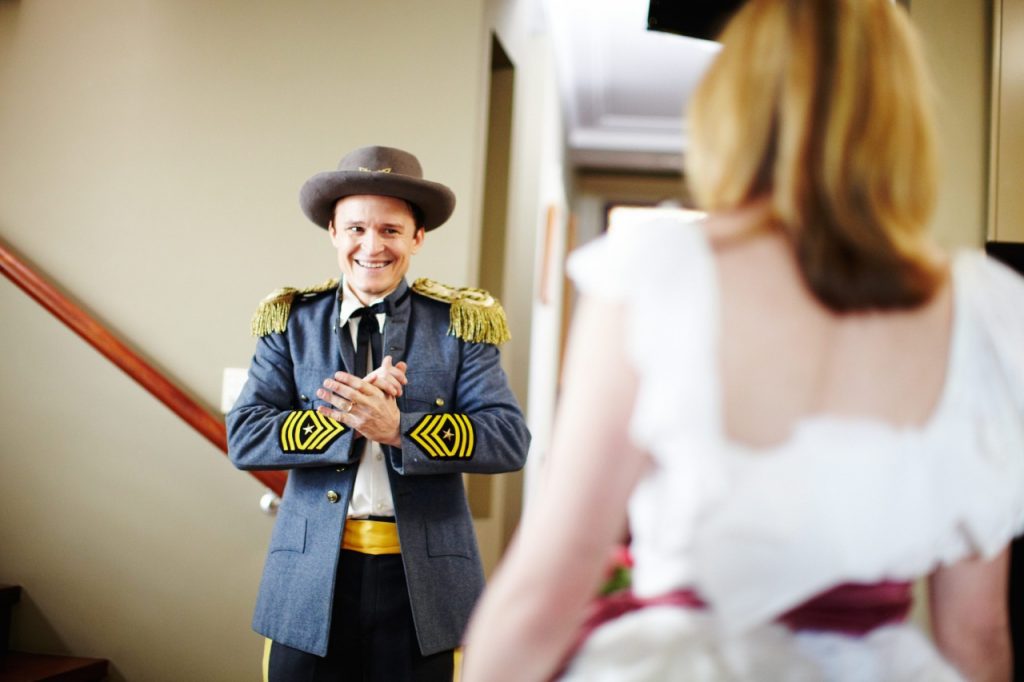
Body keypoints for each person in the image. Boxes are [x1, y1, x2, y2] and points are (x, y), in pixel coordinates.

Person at [461, 1, 1023, 680]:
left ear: (734, 104)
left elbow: (544, 594)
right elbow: (978, 632)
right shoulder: (986, 312)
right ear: (902, 115)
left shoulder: (655, 276)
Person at [227, 144, 530, 681]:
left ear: (417, 237)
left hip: (426, 585)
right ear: (333, 232)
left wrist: (398, 430)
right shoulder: (291, 321)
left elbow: (508, 439)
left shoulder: (460, 322)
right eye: (356, 228)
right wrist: (345, 418)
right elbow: (245, 436)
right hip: (310, 577)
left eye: (391, 230)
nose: (372, 246)